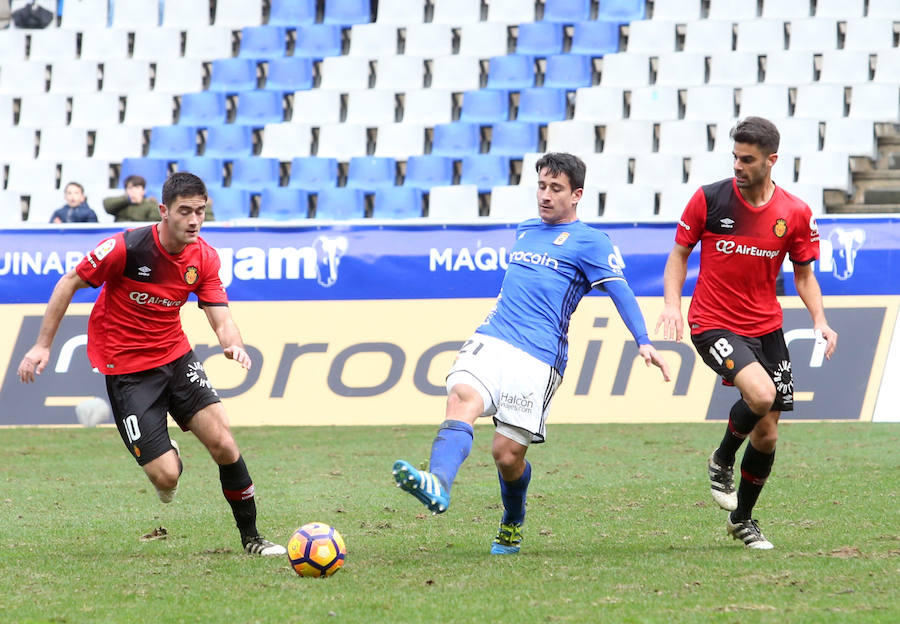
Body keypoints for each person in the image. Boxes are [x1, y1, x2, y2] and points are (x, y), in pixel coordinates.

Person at [392, 152, 672, 555]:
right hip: (494, 335)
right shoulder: (526, 229)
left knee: (506, 456)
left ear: (576, 194)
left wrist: (643, 340)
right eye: (541, 186)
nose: (544, 195)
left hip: (539, 356)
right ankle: (437, 483)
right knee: (461, 396)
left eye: (555, 188)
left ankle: (512, 521)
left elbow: (620, 289)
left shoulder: (592, 242)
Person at [17, 172, 285, 556]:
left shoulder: (203, 256)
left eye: (200, 211)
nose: (194, 220)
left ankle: (253, 539)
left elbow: (221, 317)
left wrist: (233, 345)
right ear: (164, 211)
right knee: (166, 477)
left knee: (224, 443)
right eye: (185, 211)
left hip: (176, 358)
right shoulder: (125, 248)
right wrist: (42, 346)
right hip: (126, 370)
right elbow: (69, 282)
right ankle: (166, 454)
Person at [655, 116, 838, 550]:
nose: (738, 166)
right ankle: (721, 459)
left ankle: (743, 519)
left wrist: (820, 321)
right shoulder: (709, 199)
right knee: (760, 395)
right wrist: (671, 305)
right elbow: (679, 254)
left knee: (768, 433)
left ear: (772, 160)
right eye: (735, 157)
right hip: (712, 320)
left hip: (767, 327)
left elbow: (805, 275)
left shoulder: (794, 212)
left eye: (748, 159)